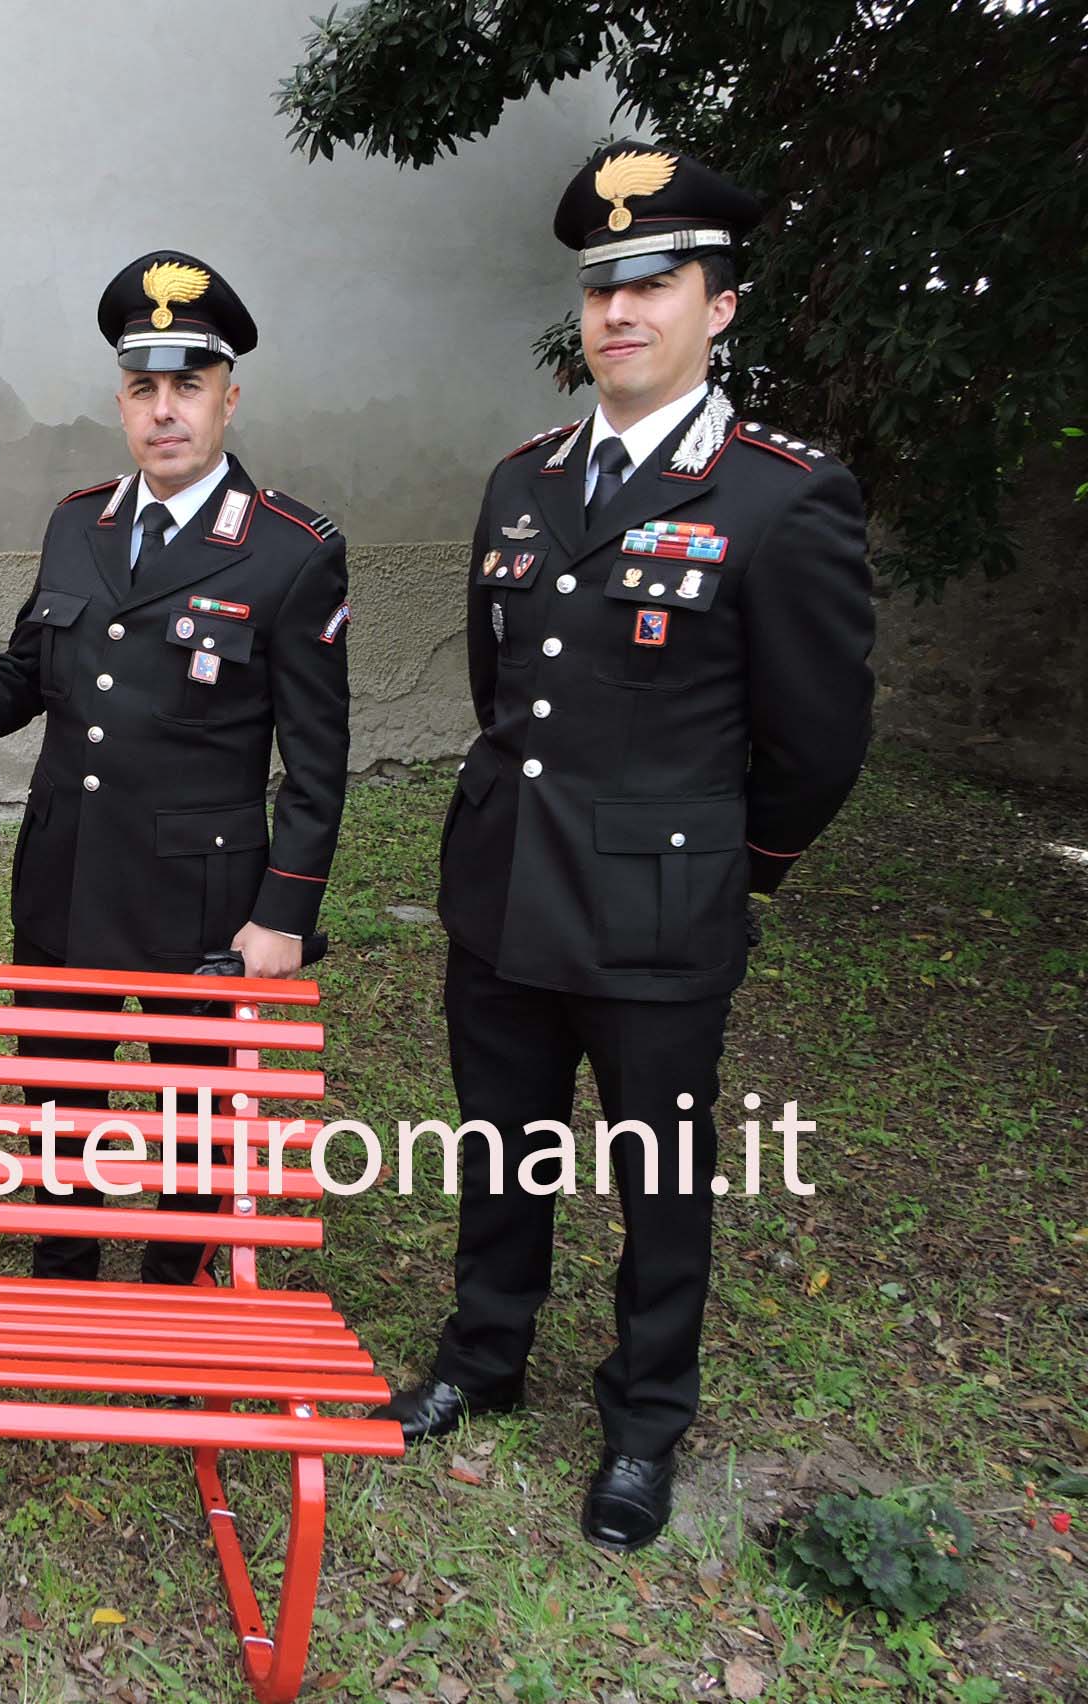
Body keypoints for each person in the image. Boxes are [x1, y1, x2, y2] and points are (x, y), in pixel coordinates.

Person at [373, 143, 876, 1551]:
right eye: (603, 286)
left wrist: (737, 865)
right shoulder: (525, 481)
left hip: (661, 912)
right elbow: (501, 692)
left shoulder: (780, 495)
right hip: (507, 890)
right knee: (504, 1150)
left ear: (720, 307)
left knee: (659, 1180)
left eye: (658, 283)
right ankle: (484, 1359)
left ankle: (646, 1422)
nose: (621, 311)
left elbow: (821, 741)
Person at [0, 250, 351, 1285]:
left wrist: (284, 911)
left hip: (201, 886)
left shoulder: (290, 550)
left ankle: (172, 1278)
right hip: (68, 864)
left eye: (188, 386)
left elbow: (318, 763)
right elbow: (26, 671)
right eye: (144, 388)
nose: (165, 411)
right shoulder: (77, 522)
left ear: (230, 399)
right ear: (121, 400)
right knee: (60, 1085)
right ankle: (63, 1257)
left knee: (195, 1099)